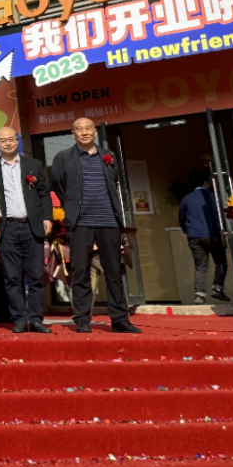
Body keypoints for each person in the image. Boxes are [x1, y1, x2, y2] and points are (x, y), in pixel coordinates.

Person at [50, 117, 141, 334]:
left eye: (88, 128)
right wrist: (73, 209)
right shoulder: (63, 158)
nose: (84, 132)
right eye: (79, 129)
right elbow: (59, 187)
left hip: (108, 221)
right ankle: (82, 319)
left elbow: (114, 182)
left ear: (95, 132)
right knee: (80, 271)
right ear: (73, 134)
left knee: (114, 272)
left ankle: (119, 319)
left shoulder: (108, 156)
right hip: (80, 223)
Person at [0, 127, 54, 334]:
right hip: (7, 228)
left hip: (32, 226)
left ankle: (35, 319)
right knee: (12, 278)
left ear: (17, 141)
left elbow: (43, 193)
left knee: (36, 276)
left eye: (11, 139)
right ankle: (19, 319)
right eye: (3, 140)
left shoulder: (33, 165)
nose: (8, 143)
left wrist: (47, 217)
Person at [178, 171, 230, 305]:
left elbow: (181, 218)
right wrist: (223, 230)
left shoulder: (187, 198)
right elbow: (221, 216)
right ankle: (217, 288)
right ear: (205, 183)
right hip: (212, 234)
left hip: (194, 236)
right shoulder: (214, 197)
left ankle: (199, 295)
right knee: (221, 262)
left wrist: (188, 230)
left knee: (200, 265)